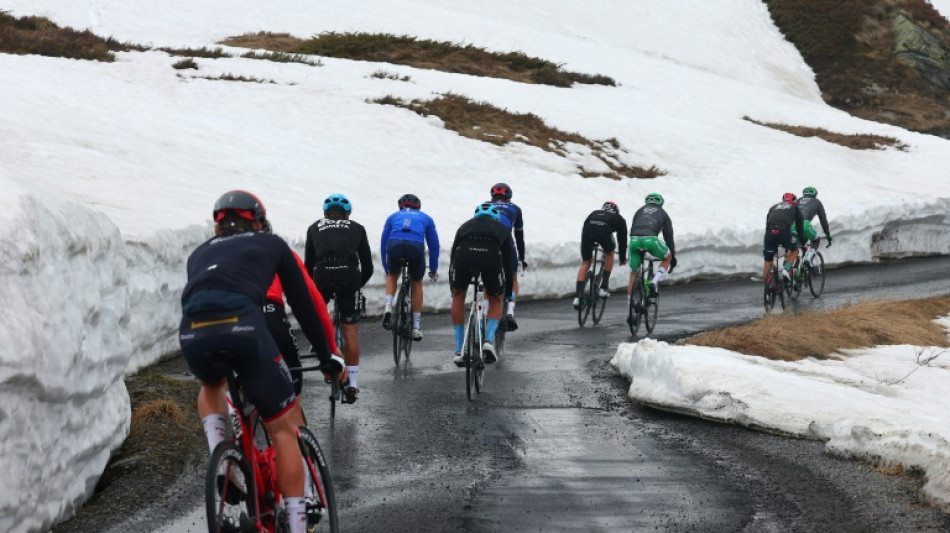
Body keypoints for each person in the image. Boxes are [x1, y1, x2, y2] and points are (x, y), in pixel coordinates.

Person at [179, 190, 345, 533]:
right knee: (283, 427)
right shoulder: (271, 244)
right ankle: (298, 521)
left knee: (210, 383)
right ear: (257, 221)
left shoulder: (198, 253)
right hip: (245, 329)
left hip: (193, 334)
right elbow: (305, 304)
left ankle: (221, 455)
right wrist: (327, 355)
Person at [262, 219, 340, 419]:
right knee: (291, 402)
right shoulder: (280, 252)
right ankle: (296, 443)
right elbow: (313, 303)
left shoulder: (220, 254)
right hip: (270, 316)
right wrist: (330, 349)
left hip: (224, 323)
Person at [305, 193, 374, 404]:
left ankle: (320, 343)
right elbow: (368, 267)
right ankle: (352, 385)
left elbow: (308, 266)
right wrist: (355, 286)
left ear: (325, 214)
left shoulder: (314, 227)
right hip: (349, 274)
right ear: (347, 214)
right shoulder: (357, 228)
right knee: (350, 329)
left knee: (318, 312)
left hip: (323, 273)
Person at [449, 202, 513, 366]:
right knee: (495, 299)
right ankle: (488, 340)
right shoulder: (502, 228)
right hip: (491, 256)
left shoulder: (465, 226)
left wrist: (453, 287)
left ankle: (458, 349)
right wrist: (508, 289)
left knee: (458, 296)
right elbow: (509, 263)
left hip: (463, 255)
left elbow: (452, 256)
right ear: (496, 218)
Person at [380, 193, 440, 340]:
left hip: (394, 245)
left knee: (393, 275)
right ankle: (416, 327)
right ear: (418, 207)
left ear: (400, 206)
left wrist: (386, 267)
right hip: (415, 247)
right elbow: (434, 246)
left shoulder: (393, 217)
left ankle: (388, 306)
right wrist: (433, 269)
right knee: (417, 282)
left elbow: (383, 244)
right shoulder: (426, 218)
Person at [573, 201, 628, 309]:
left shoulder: (594, 212)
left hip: (587, 231)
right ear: (616, 211)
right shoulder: (619, 218)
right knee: (609, 253)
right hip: (604, 231)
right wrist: (622, 258)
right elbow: (622, 240)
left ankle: (578, 297)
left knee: (586, 262)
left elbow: (586, 225)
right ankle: (603, 287)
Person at [626, 193, 676, 310]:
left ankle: (631, 309)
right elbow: (669, 237)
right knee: (667, 257)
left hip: (634, 241)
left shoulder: (639, 211)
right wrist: (673, 257)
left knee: (633, 274)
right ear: (661, 203)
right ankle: (654, 281)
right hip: (650, 240)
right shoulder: (663, 214)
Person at [488, 182, 526, 331]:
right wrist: (521, 258)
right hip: (506, 241)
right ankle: (510, 312)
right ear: (509, 197)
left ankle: (486, 310)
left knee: (488, 277)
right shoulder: (515, 209)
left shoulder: (484, 206)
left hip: (486, 242)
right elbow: (519, 236)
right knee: (513, 276)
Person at [763, 192, 806, 284]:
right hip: (783, 232)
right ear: (794, 201)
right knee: (795, 249)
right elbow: (800, 228)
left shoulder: (774, 207)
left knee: (768, 260)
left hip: (769, 233)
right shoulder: (795, 208)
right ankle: (785, 270)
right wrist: (802, 242)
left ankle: (766, 290)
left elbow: (768, 221)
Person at [796, 186, 834, 266]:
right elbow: (823, 220)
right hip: (804, 224)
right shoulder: (817, 202)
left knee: (798, 243)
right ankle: (808, 259)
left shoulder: (798, 200)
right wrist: (828, 235)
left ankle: (794, 266)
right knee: (816, 240)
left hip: (792, 225)